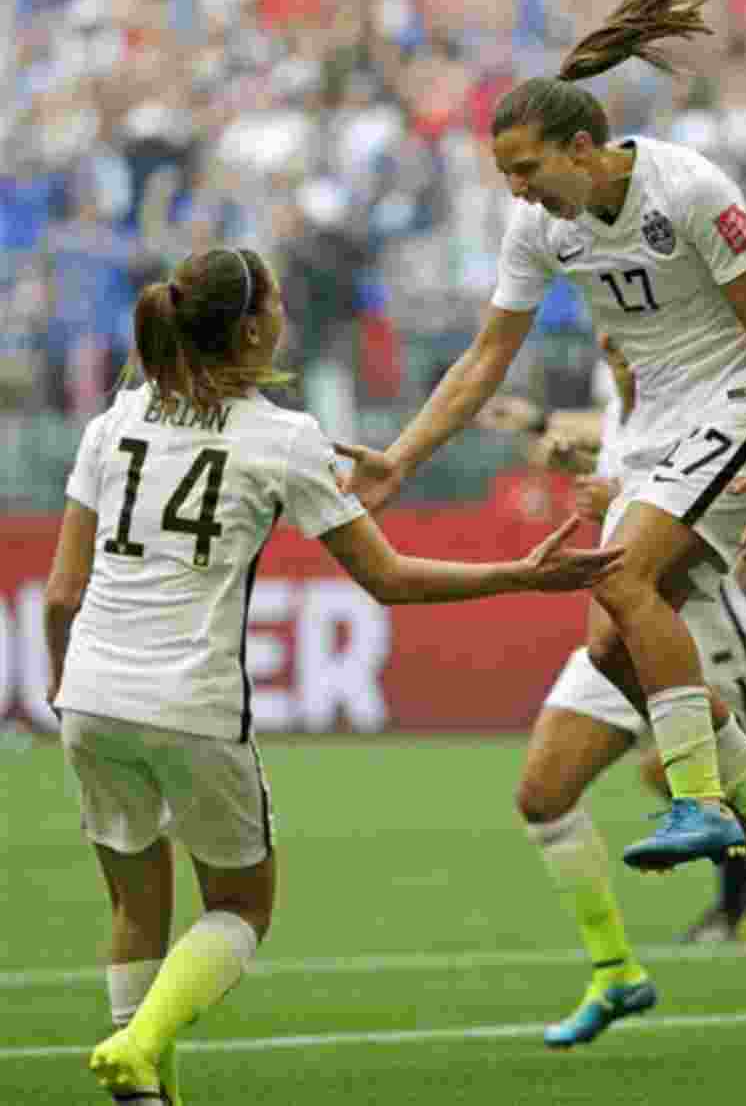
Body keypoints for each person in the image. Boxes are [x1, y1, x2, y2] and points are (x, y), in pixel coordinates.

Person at [42, 248, 623, 1105]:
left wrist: (66, 697)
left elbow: (60, 593)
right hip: (191, 698)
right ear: (251, 327)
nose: (283, 308)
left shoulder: (111, 422)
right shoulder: (282, 436)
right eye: (273, 298)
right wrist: (519, 576)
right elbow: (387, 578)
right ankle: (140, 1042)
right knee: (242, 903)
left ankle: (141, 1089)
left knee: (135, 906)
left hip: (88, 690)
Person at [339, 0, 746, 938]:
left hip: (735, 404)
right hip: (655, 427)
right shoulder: (542, 229)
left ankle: (702, 799)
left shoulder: (688, 188)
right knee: (612, 646)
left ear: (581, 144)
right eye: (504, 175)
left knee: (621, 577)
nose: (517, 192)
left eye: (526, 169)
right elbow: (485, 359)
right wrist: (403, 455)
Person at [482, 336, 746, 1062]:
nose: (610, 334)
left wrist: (616, 500)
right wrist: (581, 468)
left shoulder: (709, 401)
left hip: (704, 634)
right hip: (615, 633)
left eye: (622, 318)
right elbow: (599, 458)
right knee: (542, 794)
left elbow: (718, 519)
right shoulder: (619, 408)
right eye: (602, 319)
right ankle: (616, 970)